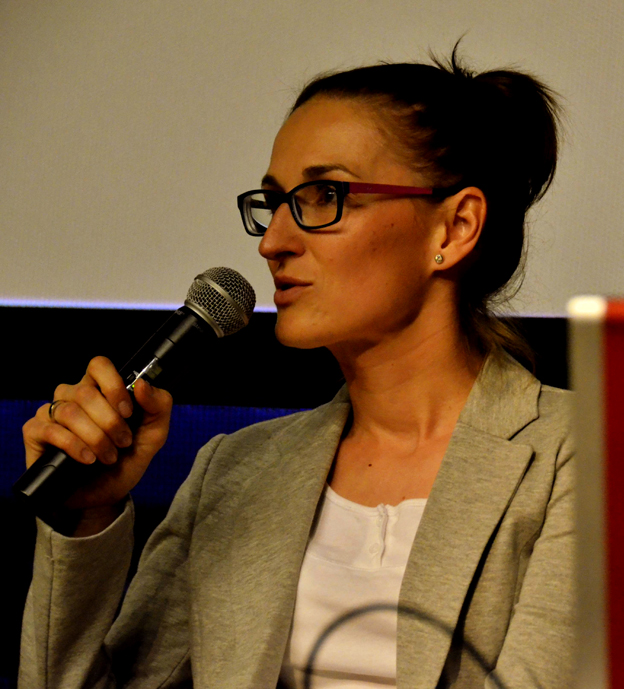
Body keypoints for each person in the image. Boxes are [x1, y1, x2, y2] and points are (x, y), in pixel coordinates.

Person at [19, 46, 574, 688]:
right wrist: (87, 520)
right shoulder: (235, 470)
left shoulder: (588, 456)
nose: (272, 242)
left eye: (324, 195)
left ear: (454, 228)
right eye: (275, 202)